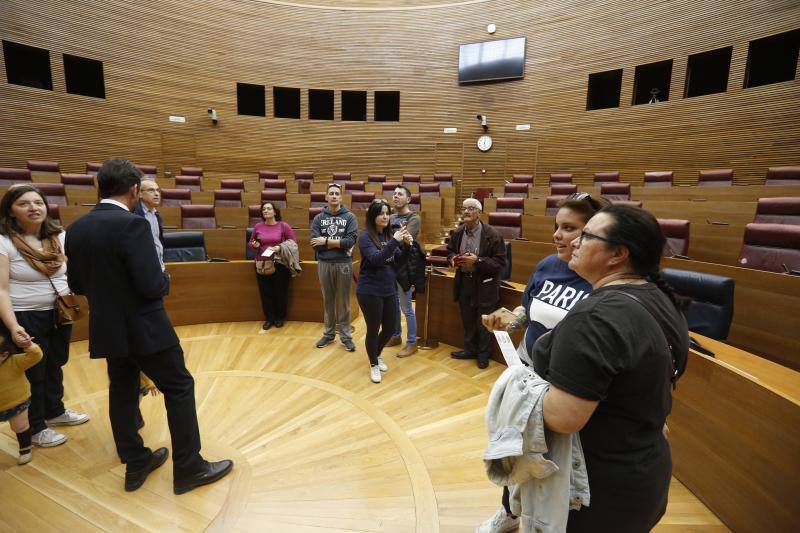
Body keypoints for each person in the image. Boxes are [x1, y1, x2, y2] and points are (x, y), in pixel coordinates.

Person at [65, 158, 233, 494]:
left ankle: (136, 462)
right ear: (134, 190)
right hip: (146, 328)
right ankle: (189, 468)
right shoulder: (133, 225)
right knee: (180, 387)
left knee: (123, 392)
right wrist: (165, 278)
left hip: (108, 329)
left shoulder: (77, 228)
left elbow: (77, 285)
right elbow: (150, 285)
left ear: (100, 188)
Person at [531, 204, 689, 532]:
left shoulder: (594, 317)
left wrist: (517, 385)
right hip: (643, 474)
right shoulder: (656, 296)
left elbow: (563, 416)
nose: (574, 241)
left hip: (597, 493)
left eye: (586, 235)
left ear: (618, 254)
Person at [476, 192, 610, 533]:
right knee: (513, 446)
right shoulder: (548, 265)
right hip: (527, 372)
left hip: (566, 387)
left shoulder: (601, 281)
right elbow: (529, 310)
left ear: (594, 234)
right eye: (556, 226)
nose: (557, 235)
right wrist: (510, 318)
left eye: (569, 228)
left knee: (549, 461)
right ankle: (509, 512)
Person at [0, 184, 89, 449]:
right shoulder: (4, 241)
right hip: (25, 315)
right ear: (11, 211)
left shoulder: (58, 236)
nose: (33, 208)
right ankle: (36, 426)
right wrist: (13, 325)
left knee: (56, 363)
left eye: (38, 202)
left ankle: (54, 411)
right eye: (24, 203)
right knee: (33, 370)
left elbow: (71, 272)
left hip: (59, 312)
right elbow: (1, 289)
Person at [446, 198, 506, 369]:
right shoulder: (457, 233)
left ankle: (483, 355)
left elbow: (500, 263)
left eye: (471, 208)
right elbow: (449, 252)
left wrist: (477, 261)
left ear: (479, 213)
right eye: (464, 208)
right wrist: (452, 260)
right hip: (464, 282)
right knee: (468, 320)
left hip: (485, 285)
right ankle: (470, 350)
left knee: (483, 322)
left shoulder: (492, 235)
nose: (466, 211)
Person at [356, 200, 411, 383]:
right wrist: (395, 242)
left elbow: (398, 261)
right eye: (381, 213)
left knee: (389, 328)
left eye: (387, 213)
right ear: (373, 216)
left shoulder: (388, 236)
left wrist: (407, 246)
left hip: (388, 288)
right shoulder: (365, 237)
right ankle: (373, 363)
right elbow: (377, 259)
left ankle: (376, 353)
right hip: (369, 290)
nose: (385, 216)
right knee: (373, 329)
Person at [310, 183, 358, 351]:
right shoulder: (318, 218)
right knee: (328, 301)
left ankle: (345, 336)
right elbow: (315, 245)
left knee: (344, 302)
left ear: (341, 197)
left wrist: (326, 241)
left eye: (337, 193)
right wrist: (338, 244)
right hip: (324, 263)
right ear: (326, 197)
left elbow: (350, 242)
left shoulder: (350, 217)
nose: (334, 196)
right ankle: (329, 334)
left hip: (344, 264)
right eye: (331, 193)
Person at [250, 201, 297, 330]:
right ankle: (269, 318)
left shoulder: (283, 226)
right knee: (265, 293)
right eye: (264, 209)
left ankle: (279, 318)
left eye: (269, 209)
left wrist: (279, 247)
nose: (266, 211)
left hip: (279, 263)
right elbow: (251, 242)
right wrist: (255, 245)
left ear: (275, 212)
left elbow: (292, 242)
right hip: (262, 263)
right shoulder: (258, 226)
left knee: (280, 292)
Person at [386, 186, 420, 357]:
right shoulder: (390, 217)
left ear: (408, 199)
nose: (396, 196)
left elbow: (404, 242)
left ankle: (412, 342)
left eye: (400, 194)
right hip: (389, 265)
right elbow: (385, 239)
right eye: (394, 194)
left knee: (406, 307)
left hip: (404, 267)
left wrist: (392, 239)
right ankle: (396, 335)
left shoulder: (414, 218)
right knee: (392, 304)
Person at [0, 335, 43, 465]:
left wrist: (29, 345)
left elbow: (35, 356)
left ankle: (25, 449)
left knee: (21, 427)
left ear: (3, 355)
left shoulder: (15, 361)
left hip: (17, 403)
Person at [134, 179, 165, 270]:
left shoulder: (156, 215)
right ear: (140, 194)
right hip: (143, 268)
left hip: (158, 266)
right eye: (151, 190)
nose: (157, 194)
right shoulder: (134, 215)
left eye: (158, 190)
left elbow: (158, 242)